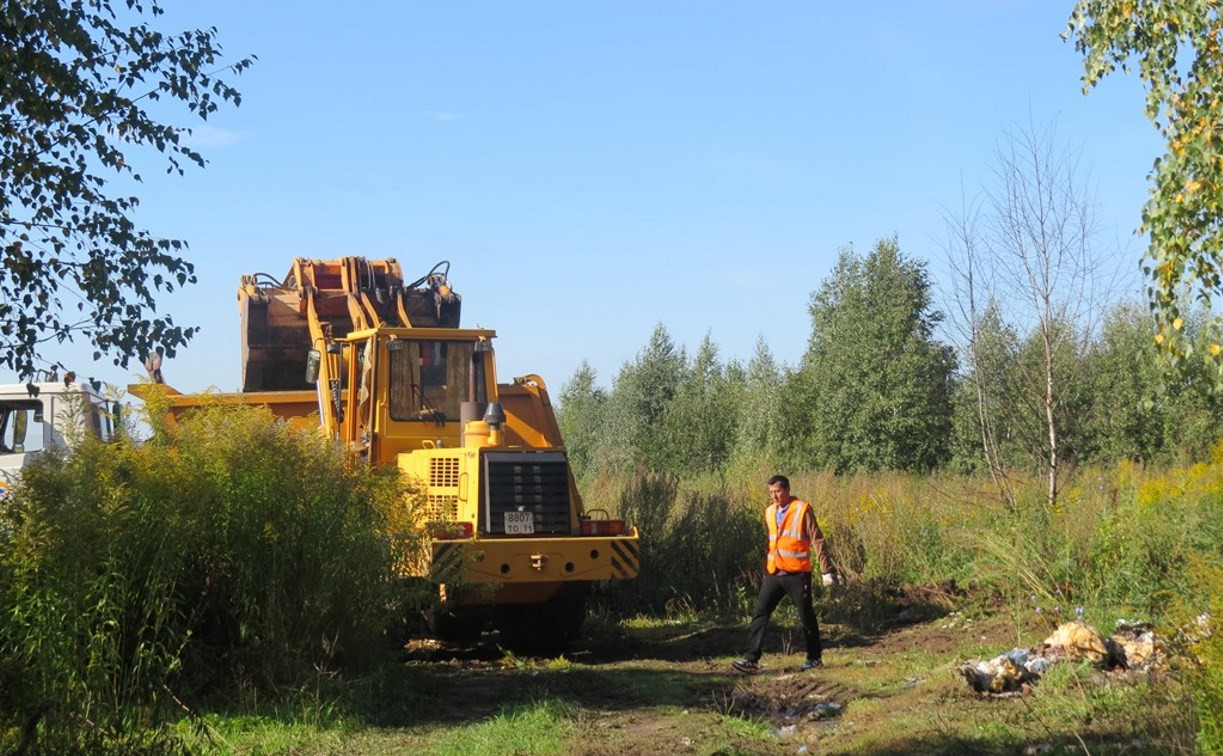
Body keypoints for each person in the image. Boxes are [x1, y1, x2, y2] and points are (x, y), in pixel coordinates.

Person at [732, 474, 836, 674]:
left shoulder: (802, 509)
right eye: (771, 492)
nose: (774, 496)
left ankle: (814, 658)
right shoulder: (770, 512)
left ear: (787, 490)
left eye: (778, 491)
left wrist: (826, 570)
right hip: (774, 573)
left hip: (797, 574)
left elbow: (818, 540)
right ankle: (751, 659)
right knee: (760, 612)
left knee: (806, 616)